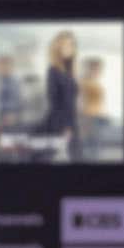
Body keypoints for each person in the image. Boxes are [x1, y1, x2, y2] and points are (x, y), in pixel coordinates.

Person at [43, 29, 80, 159]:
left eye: (72, 45)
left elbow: (72, 102)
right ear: (57, 48)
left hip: (72, 122)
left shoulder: (71, 71)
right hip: (60, 123)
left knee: (76, 157)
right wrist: (66, 126)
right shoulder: (53, 71)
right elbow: (54, 101)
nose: (69, 48)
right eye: (65, 45)